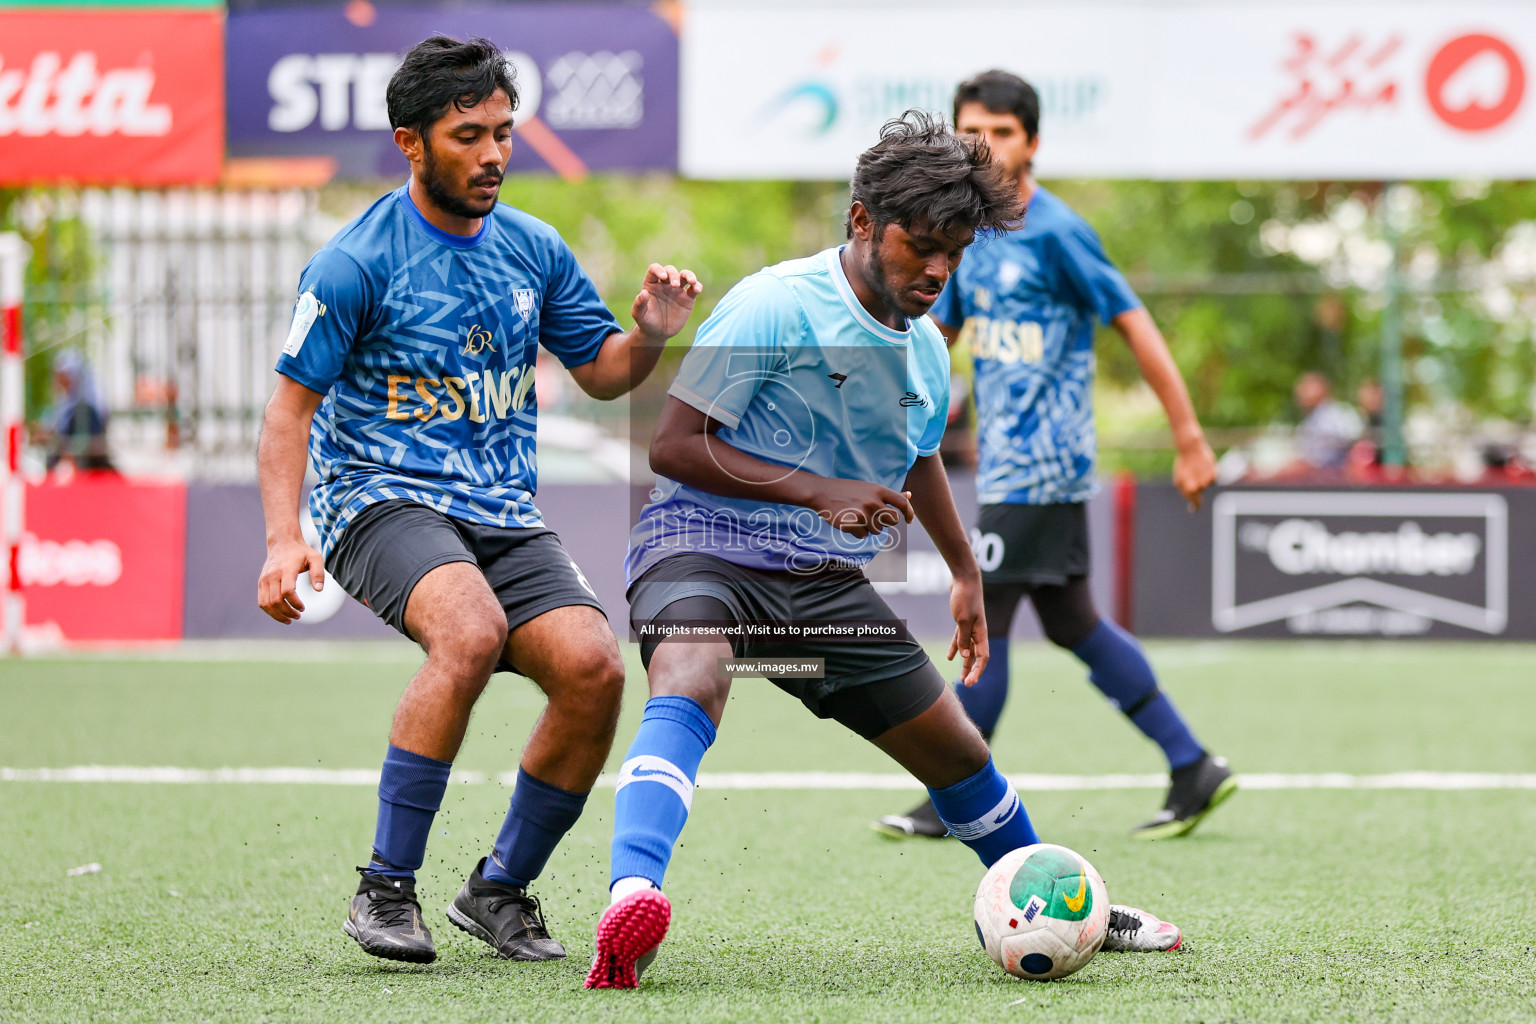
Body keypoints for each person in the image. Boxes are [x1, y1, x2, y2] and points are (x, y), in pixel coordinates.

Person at [585, 112, 1182, 991]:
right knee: (694, 673)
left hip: (816, 580)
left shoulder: (927, 354)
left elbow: (920, 457)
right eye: (922, 245)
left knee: (958, 752)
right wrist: (816, 490)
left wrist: (967, 572)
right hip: (700, 547)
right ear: (863, 220)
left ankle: (1066, 899)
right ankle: (629, 901)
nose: (939, 269)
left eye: (957, 251)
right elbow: (672, 446)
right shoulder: (775, 303)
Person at [254, 36, 701, 966]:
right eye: (469, 135)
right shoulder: (352, 262)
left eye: (503, 132)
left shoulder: (535, 248)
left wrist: (652, 332)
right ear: (411, 143)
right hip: (377, 500)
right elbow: (287, 412)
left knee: (595, 670)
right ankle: (385, 889)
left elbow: (608, 371)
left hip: (501, 511)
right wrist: (280, 537)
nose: (494, 153)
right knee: (470, 630)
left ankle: (499, 890)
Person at [875, 72, 1233, 843]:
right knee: (1073, 621)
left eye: (1001, 132)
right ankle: (1190, 763)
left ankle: (954, 792)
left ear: (1031, 143)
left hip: (1046, 465)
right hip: (1006, 463)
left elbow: (1134, 323)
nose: (985, 145)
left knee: (989, 616)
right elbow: (942, 333)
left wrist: (1189, 436)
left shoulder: (1061, 231)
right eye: (972, 131)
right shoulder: (968, 234)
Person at [44, 349, 114, 473]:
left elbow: (93, 442)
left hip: (87, 461)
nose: (60, 381)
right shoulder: (65, 404)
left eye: (63, 376)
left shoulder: (86, 410)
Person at [1293, 371, 1361, 470]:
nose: (1300, 392)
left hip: (1335, 475)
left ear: (1321, 389)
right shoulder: (1311, 418)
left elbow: (1352, 442)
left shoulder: (1339, 413)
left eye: (1306, 388)